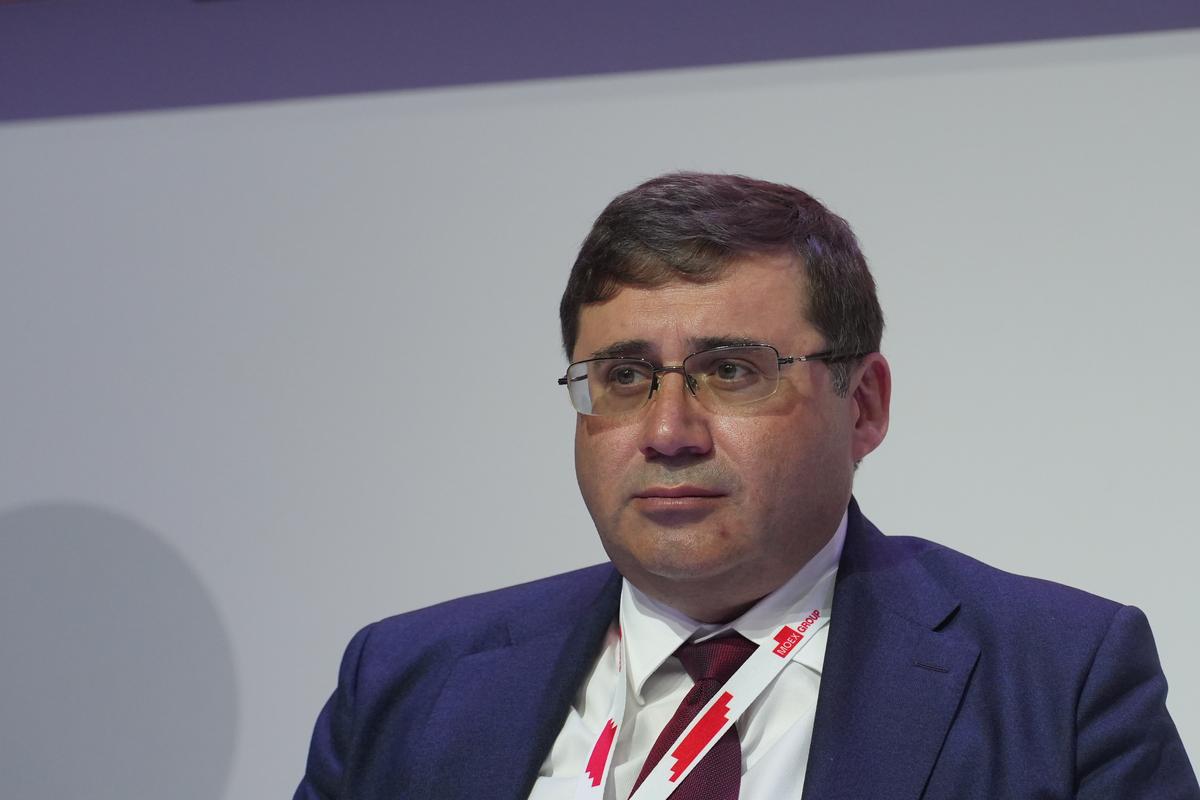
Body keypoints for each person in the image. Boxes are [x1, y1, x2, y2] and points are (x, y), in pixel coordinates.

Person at [294, 173, 1199, 799]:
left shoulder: (1057, 679)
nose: (668, 433)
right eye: (623, 377)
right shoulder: (409, 683)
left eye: (730, 372)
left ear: (863, 406)